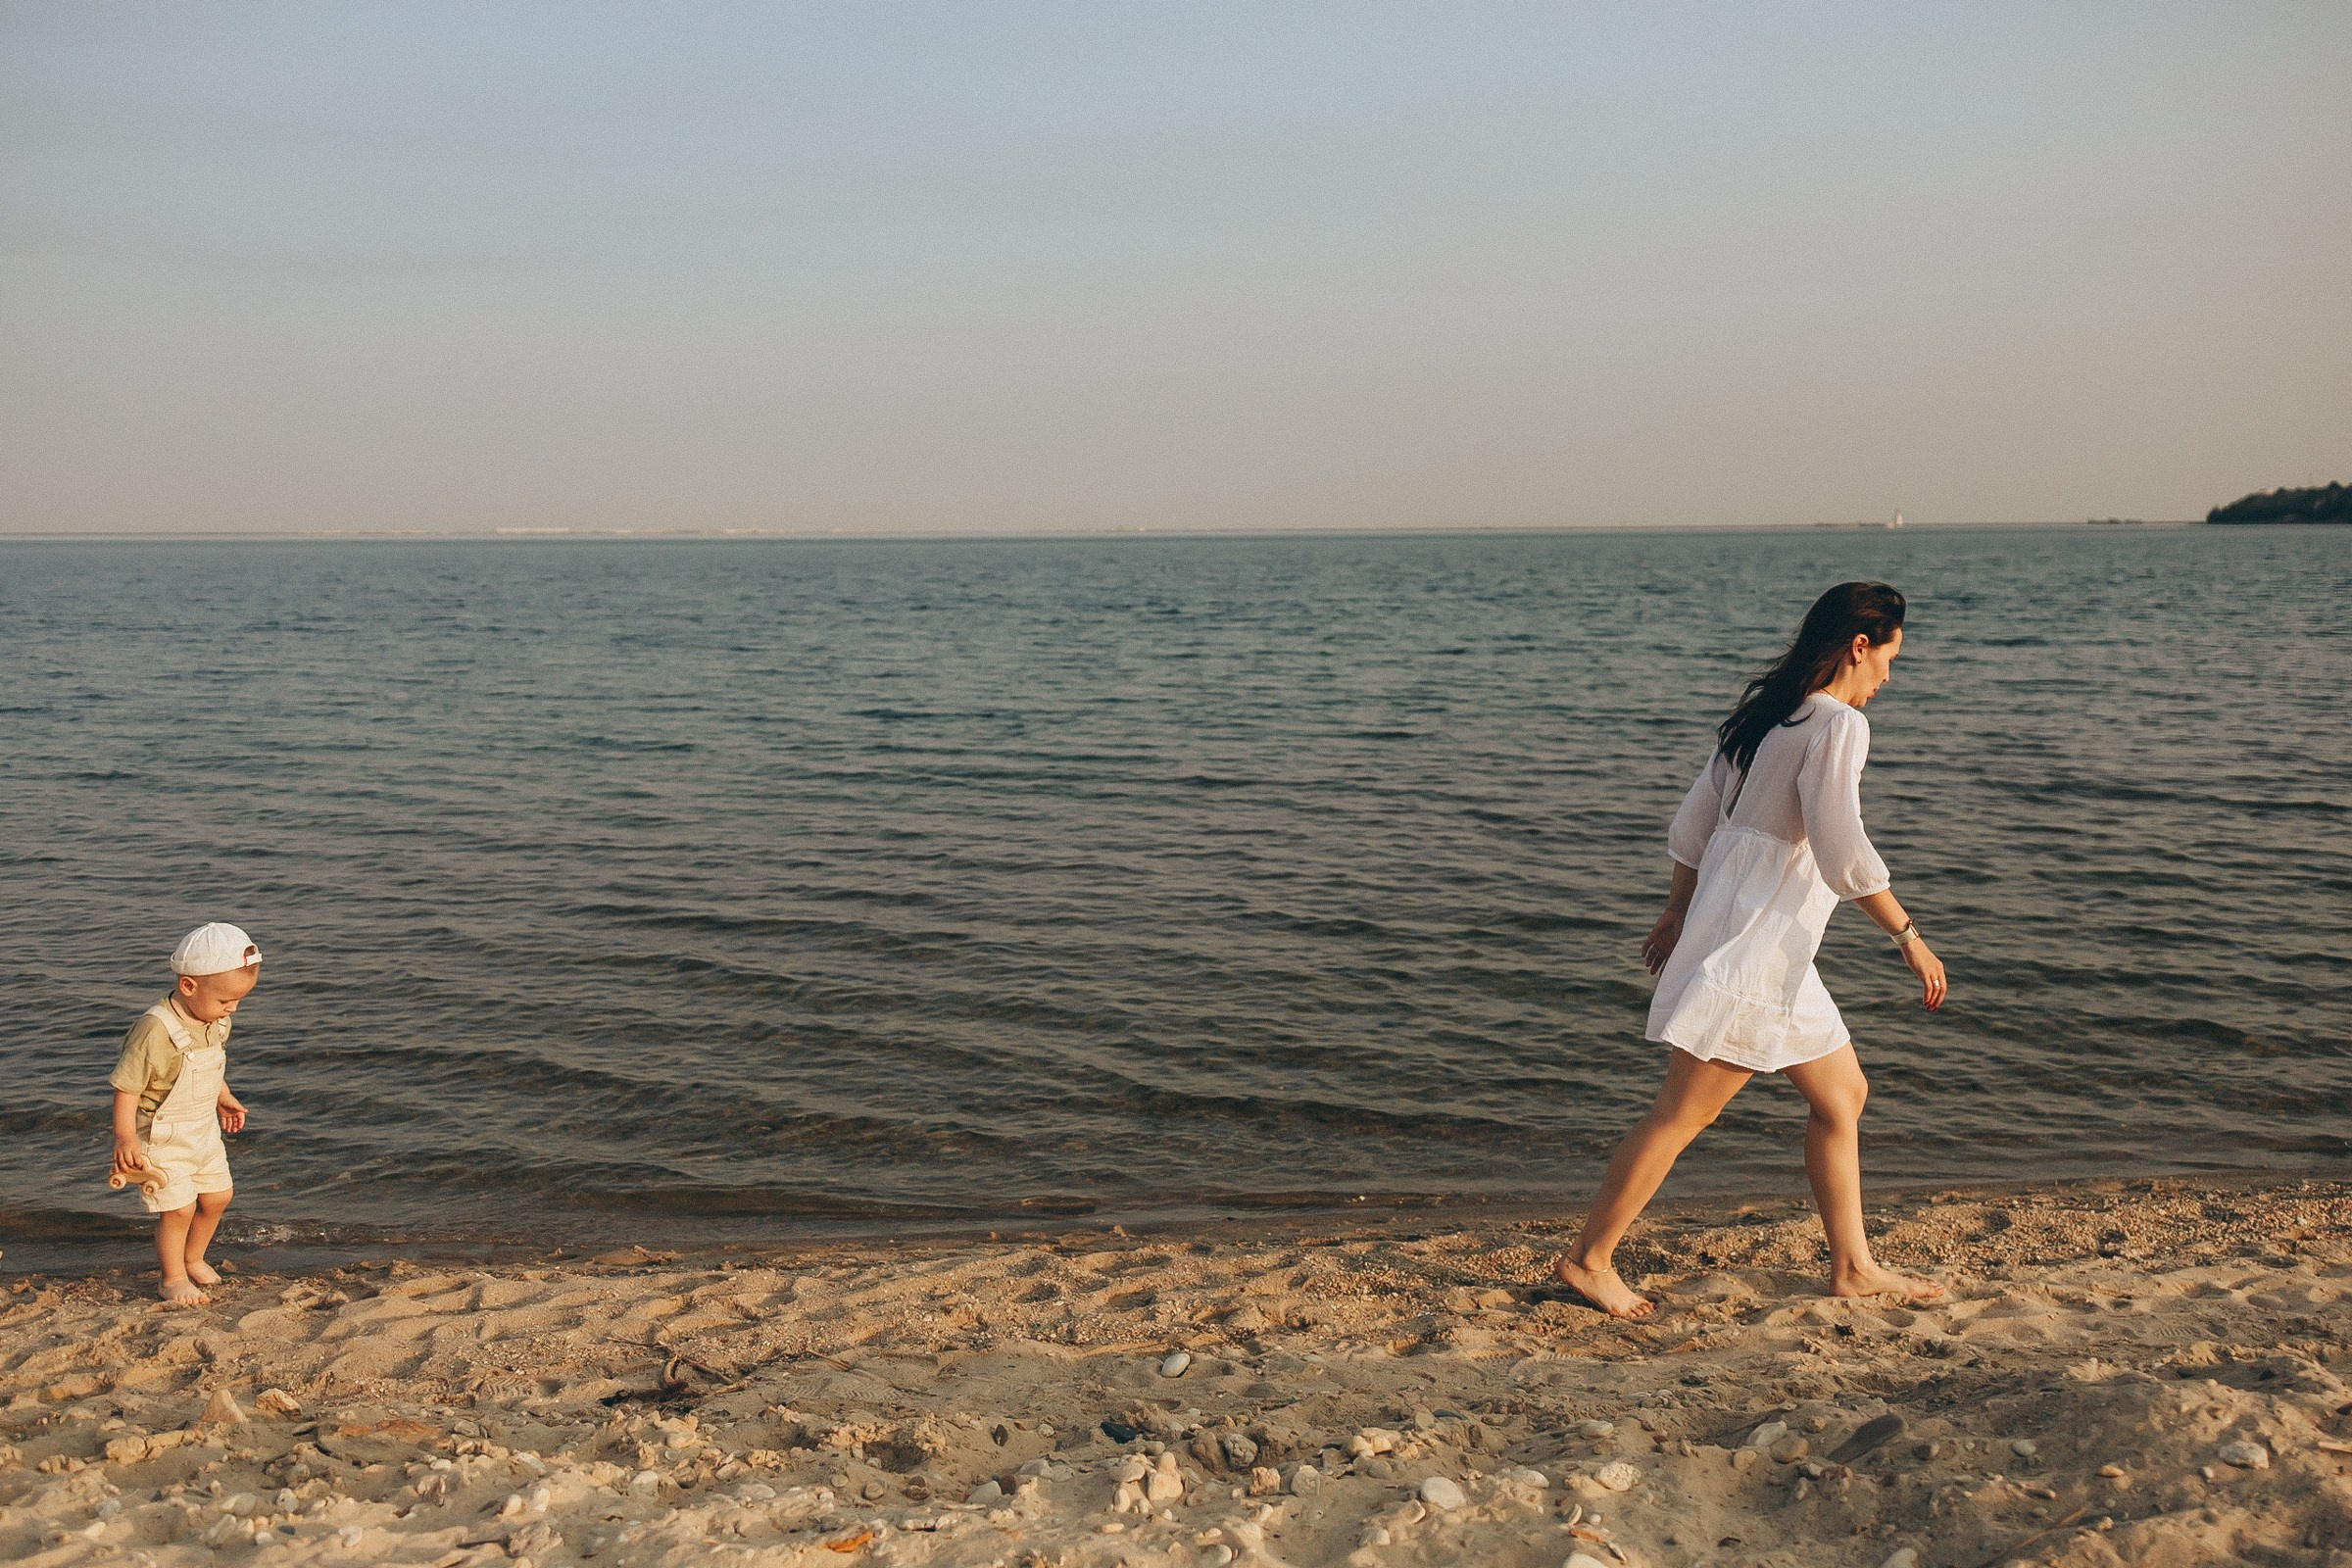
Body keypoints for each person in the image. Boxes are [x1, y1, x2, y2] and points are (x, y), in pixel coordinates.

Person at [1553, 583, 1947, 1318]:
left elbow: (1694, 826)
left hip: (1766, 944)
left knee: (1842, 1096)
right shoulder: (1837, 725)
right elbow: (1841, 846)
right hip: (1755, 947)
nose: (1889, 678)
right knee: (1682, 1112)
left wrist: (1678, 911)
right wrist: (1908, 936)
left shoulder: (1765, 717)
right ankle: (1588, 1260)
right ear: (1859, 646)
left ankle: (1853, 1267)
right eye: (1891, 659)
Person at [109, 922, 260, 1306]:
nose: (232, 1008)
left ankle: (193, 1258)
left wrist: (222, 1095)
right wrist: (125, 1138)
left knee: (218, 1196)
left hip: (203, 1129)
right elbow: (127, 1088)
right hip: (161, 1134)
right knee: (178, 1208)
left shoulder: (216, 1020)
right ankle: (172, 1278)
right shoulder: (155, 1030)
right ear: (189, 986)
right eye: (226, 1000)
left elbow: (209, 1063)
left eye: (238, 1000)